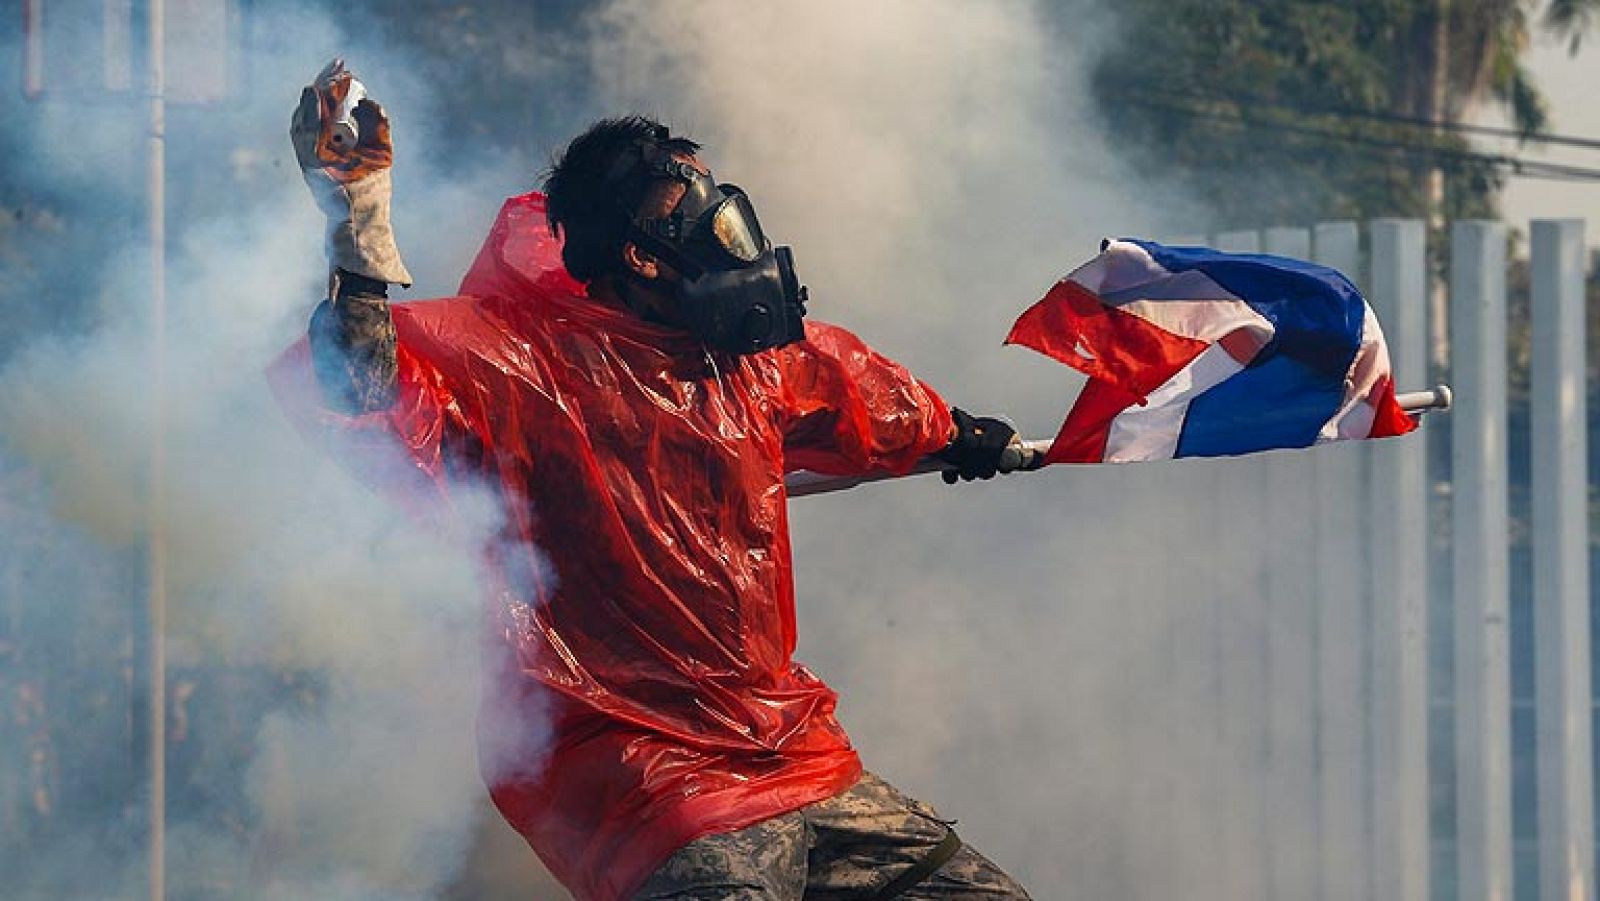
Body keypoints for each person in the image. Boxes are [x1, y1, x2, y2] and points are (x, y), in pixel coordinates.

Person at [280, 61, 1032, 901]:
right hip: (647, 773)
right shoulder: (517, 365)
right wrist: (359, 238)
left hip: (788, 748)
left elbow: (855, 389)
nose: (730, 238)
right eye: (702, 219)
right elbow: (359, 392)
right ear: (640, 256)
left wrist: (963, 434)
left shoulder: (743, 364)